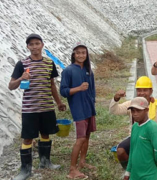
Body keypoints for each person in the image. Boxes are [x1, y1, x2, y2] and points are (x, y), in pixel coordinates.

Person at [8, 33, 66, 180]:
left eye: (37, 43)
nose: (34, 47)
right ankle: (25, 170)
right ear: (28, 47)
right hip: (30, 109)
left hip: (47, 107)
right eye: (31, 44)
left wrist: (58, 102)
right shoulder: (22, 64)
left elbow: (52, 85)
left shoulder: (49, 63)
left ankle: (45, 162)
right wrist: (21, 78)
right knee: (27, 138)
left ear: (42, 45)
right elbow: (11, 86)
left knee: (45, 134)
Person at [109, 76, 157, 177]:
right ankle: (133, 169)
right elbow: (114, 110)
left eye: (145, 90)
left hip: (152, 139)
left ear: (151, 91)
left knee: (152, 158)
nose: (142, 93)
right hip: (136, 137)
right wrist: (116, 98)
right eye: (139, 90)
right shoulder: (133, 104)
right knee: (120, 151)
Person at [60, 42, 97, 179]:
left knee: (87, 136)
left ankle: (82, 162)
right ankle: (72, 169)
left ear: (86, 55)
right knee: (80, 138)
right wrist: (78, 88)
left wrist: (92, 101)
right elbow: (63, 91)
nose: (81, 55)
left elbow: (92, 90)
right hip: (78, 110)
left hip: (89, 108)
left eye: (83, 53)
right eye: (78, 53)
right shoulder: (68, 71)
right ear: (73, 55)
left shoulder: (88, 70)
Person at [123, 97, 157, 180]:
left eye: (138, 110)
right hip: (135, 175)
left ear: (146, 110)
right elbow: (132, 150)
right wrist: (128, 171)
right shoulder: (135, 126)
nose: (135, 114)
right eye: (133, 111)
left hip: (149, 176)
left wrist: (153, 165)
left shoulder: (153, 128)